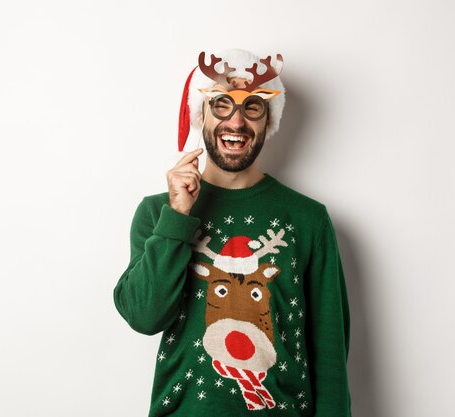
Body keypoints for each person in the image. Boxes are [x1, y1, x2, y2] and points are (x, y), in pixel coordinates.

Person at [114, 49, 352, 416]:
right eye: (222, 104)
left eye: (252, 107)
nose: (236, 123)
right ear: (201, 114)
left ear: (268, 120)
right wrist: (178, 216)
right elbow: (145, 317)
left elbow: (330, 352)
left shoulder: (308, 220)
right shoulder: (158, 213)